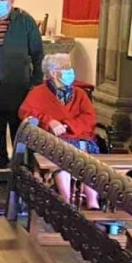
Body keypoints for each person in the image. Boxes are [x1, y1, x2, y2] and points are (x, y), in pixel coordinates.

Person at [18, 54, 100, 209]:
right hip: (52, 142)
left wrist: (68, 125)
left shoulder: (80, 94)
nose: (71, 71)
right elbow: (25, 112)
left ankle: (92, 202)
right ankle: (67, 201)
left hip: (80, 139)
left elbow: (89, 118)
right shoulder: (38, 92)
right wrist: (48, 121)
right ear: (53, 73)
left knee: (90, 162)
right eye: (66, 68)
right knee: (62, 156)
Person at [0, 0, 44, 167]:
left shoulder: (25, 21)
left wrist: (36, 83)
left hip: (18, 86)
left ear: (12, 1)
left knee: (19, 131)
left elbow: (38, 54)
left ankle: (19, 169)